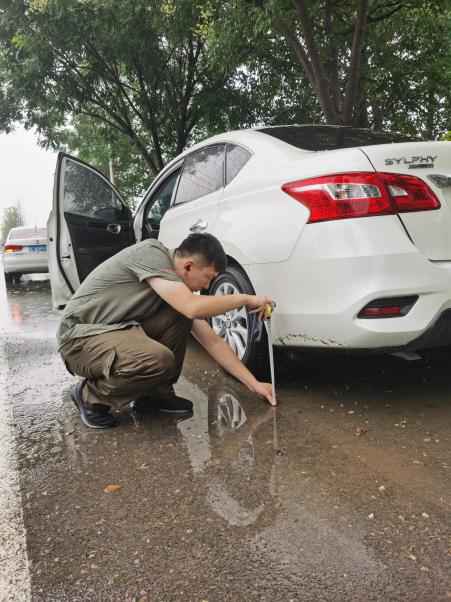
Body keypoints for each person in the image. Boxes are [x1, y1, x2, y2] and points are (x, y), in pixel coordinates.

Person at [57, 233, 275, 429]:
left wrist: (254, 384)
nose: (205, 286)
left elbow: (213, 341)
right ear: (188, 266)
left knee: (180, 316)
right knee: (157, 359)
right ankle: (90, 397)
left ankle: (154, 396)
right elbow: (192, 306)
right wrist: (245, 299)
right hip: (79, 339)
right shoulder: (151, 255)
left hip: (114, 331)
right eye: (207, 278)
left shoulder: (171, 285)